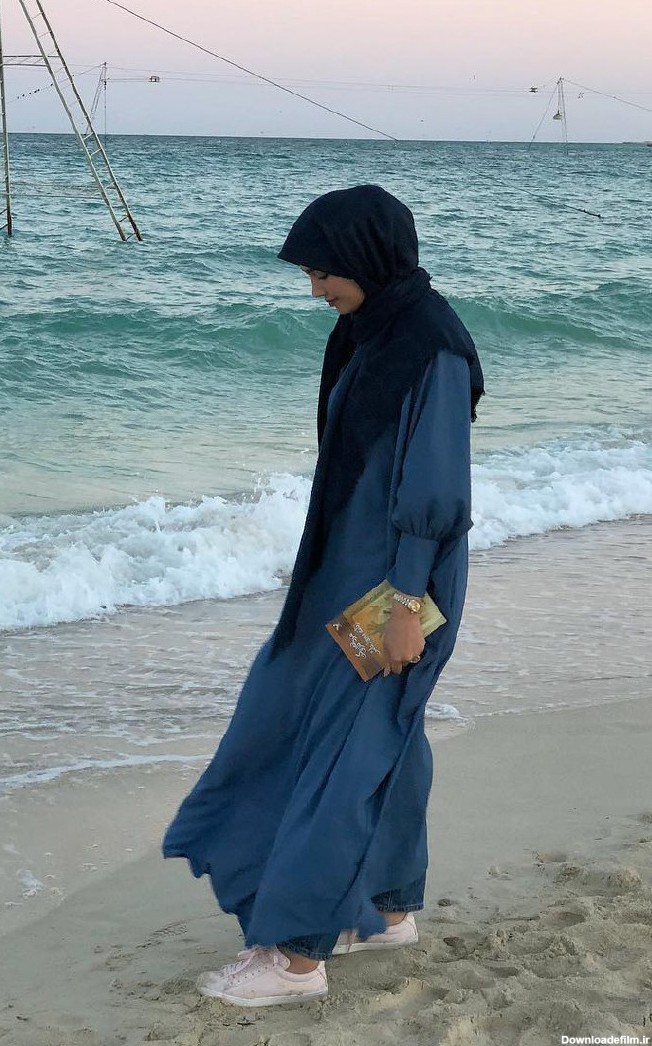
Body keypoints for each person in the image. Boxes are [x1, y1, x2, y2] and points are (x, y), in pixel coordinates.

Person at [163, 184, 484, 1007]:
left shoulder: (432, 347)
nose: (314, 291)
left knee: (346, 748)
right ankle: (385, 911)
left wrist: (406, 604)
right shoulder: (370, 330)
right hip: (346, 569)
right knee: (375, 736)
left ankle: (297, 959)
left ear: (365, 258)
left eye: (322, 272)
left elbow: (436, 486)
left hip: (396, 584)